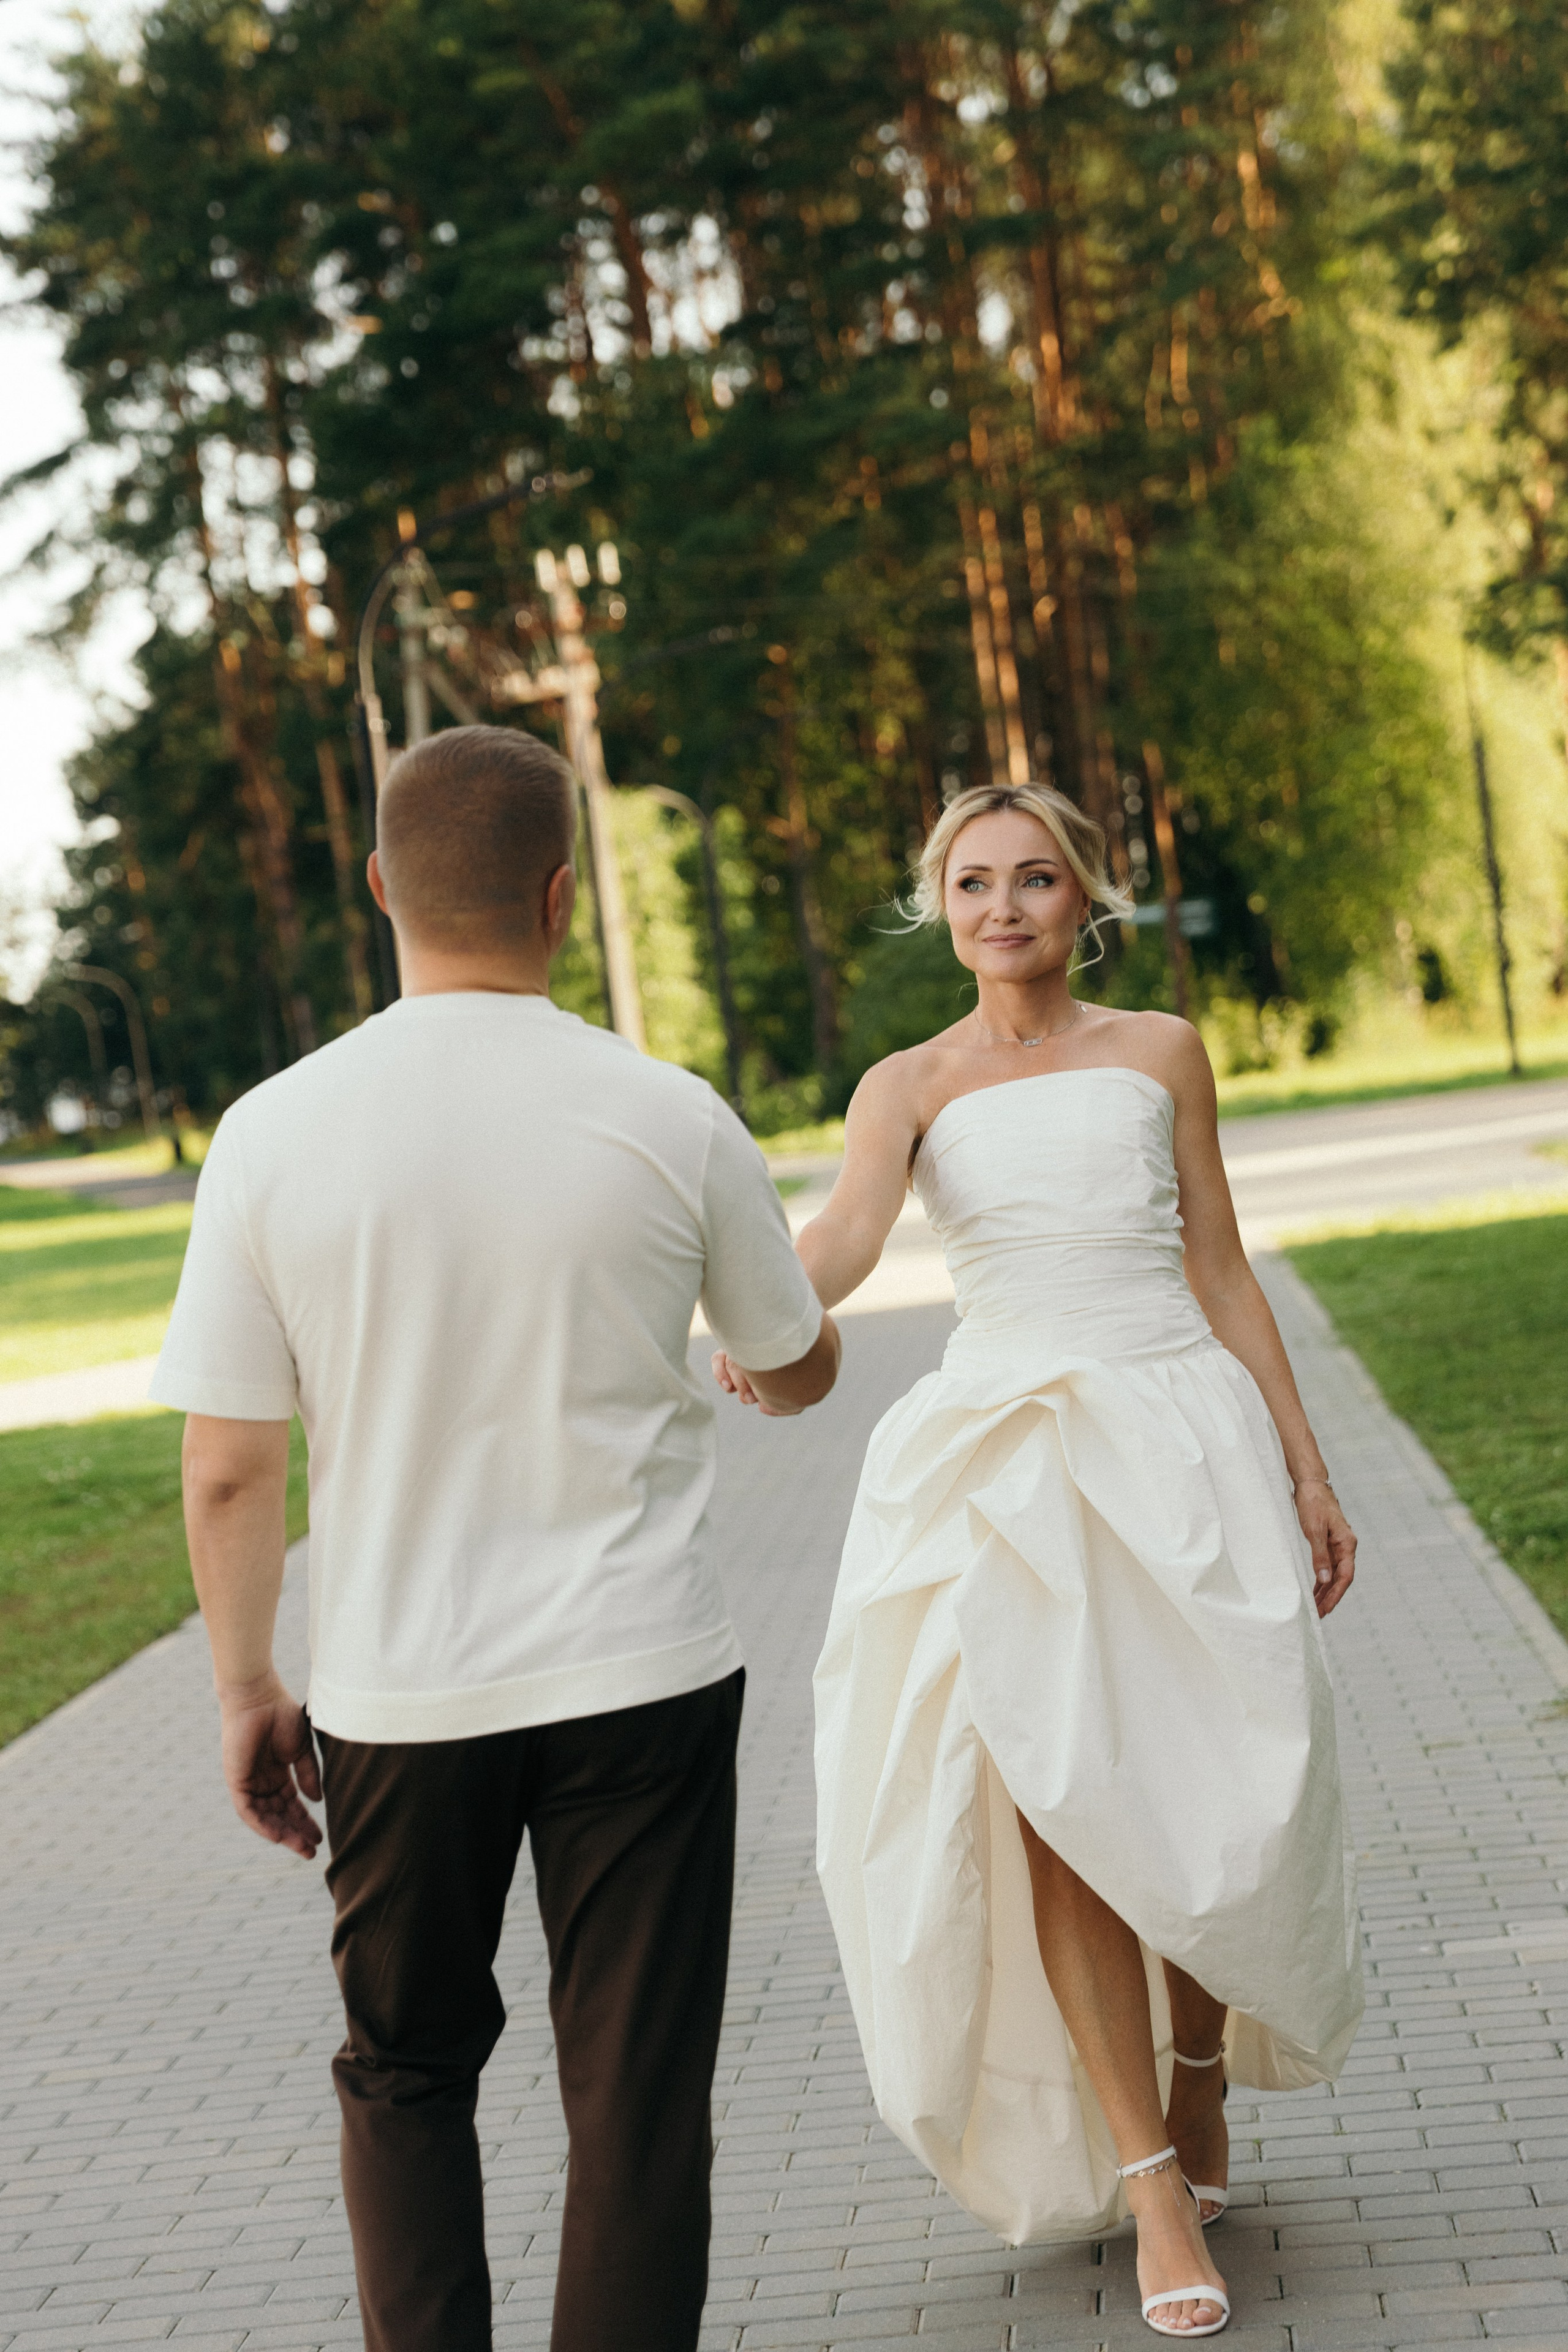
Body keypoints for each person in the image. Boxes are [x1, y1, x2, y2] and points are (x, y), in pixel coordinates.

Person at [153, 725, 841, 2352]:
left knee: (404, 2070)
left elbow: (232, 1467)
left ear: (382, 887)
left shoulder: (270, 1132)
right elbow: (798, 1359)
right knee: (638, 2099)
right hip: (644, 1677)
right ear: (562, 896)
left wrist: (248, 1684)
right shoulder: (670, 1114)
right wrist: (777, 1349)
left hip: (400, 1693)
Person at [715, 782, 1363, 2340]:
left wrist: (1303, 1457)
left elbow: (1214, 1255)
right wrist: (765, 1312)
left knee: (1206, 1794)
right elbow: (850, 1235)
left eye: (1031, 879)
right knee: (1058, 1800)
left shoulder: (1157, 1052)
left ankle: (1198, 2075)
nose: (1000, 908)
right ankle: (1147, 2182)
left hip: (1181, 1442)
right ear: (936, 907)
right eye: (968, 883)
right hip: (1008, 1463)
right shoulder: (908, 1083)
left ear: (1085, 898)